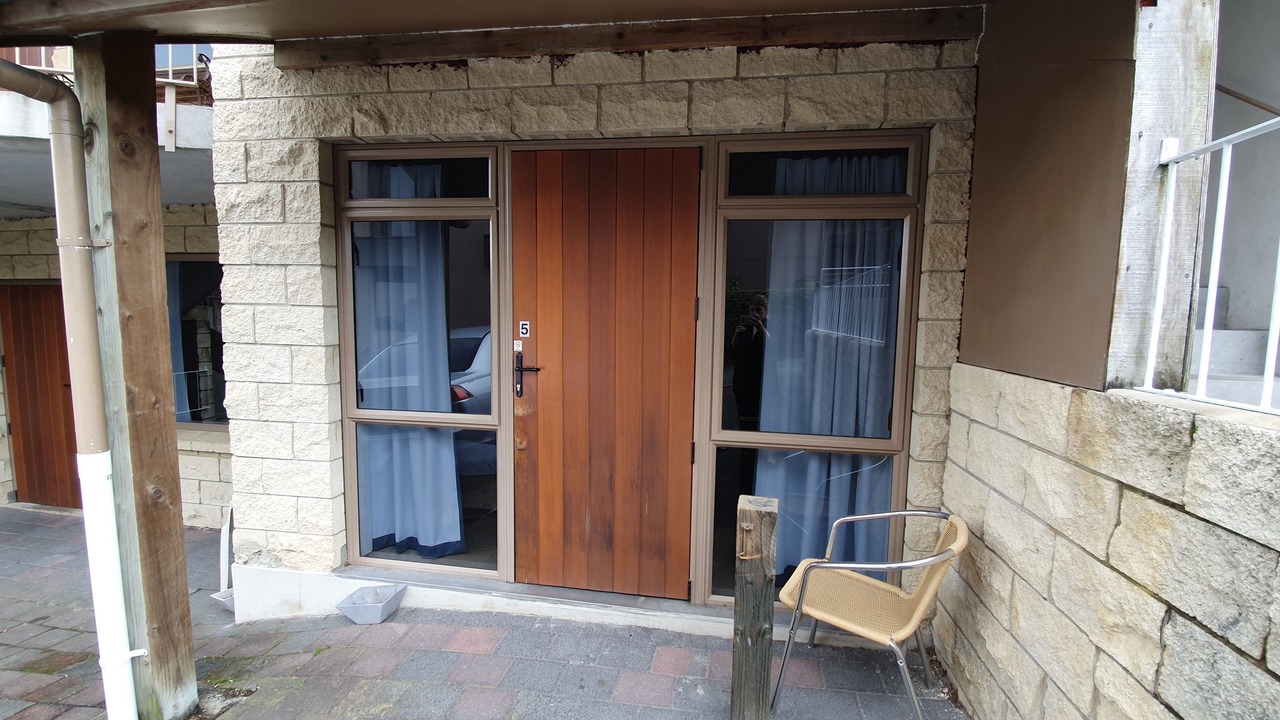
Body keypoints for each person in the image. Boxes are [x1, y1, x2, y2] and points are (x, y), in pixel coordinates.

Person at [730, 295, 769, 432]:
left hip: (762, 378)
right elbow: (733, 350)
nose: (754, 313)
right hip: (743, 378)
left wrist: (761, 328)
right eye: (752, 310)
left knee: (761, 415)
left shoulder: (769, 326)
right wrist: (736, 335)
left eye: (758, 310)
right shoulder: (745, 325)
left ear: (766, 311)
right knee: (744, 416)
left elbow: (775, 348)